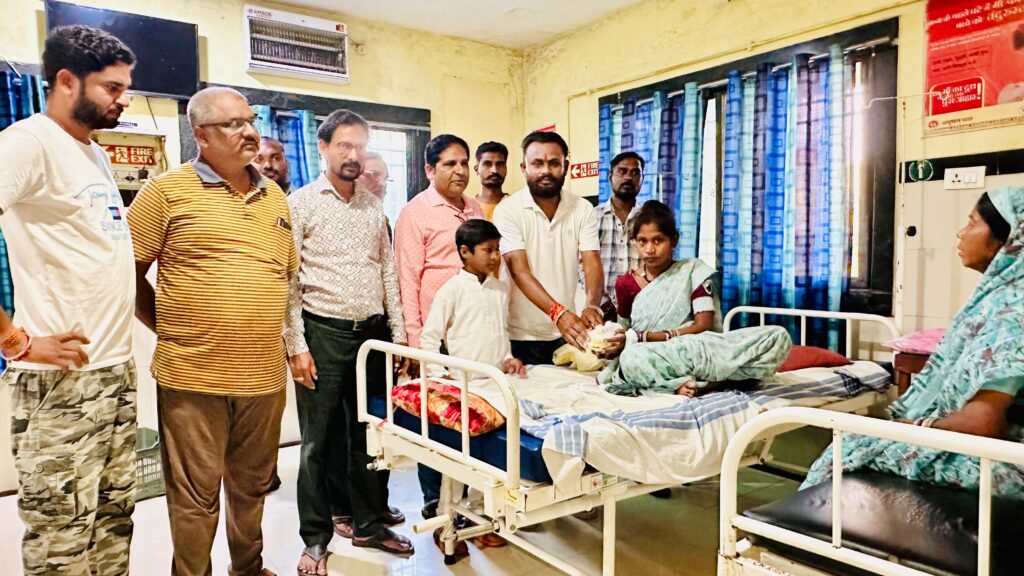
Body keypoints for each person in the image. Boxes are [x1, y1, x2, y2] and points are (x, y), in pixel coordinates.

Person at [128, 86, 296, 576]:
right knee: (195, 497)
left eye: (251, 120)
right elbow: (127, 273)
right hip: (192, 377)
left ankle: (248, 567)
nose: (249, 132)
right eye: (233, 123)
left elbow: (283, 279)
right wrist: (171, 328)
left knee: (252, 488)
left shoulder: (275, 197)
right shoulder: (166, 192)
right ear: (201, 135)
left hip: (263, 377)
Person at [0, 25, 136, 575]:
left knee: (112, 520)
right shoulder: (27, 143)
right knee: (62, 534)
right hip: (60, 382)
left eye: (125, 88)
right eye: (112, 88)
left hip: (113, 372)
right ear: (65, 81)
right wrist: (14, 339)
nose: (123, 100)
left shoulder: (93, 153)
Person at [802, 186, 1024, 497]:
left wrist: (917, 426)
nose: (961, 233)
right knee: (856, 444)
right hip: (995, 447)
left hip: (1005, 462)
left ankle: (801, 526)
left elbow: (982, 423)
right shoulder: (1002, 300)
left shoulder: (1012, 314)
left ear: (1008, 239)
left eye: (972, 223)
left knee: (848, 448)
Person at [284, 110, 414, 573]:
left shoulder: (372, 206)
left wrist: (399, 337)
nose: (353, 154)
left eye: (360, 145)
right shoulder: (300, 204)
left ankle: (369, 523)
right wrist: (296, 345)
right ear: (323, 147)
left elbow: (388, 275)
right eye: (344, 145)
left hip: (373, 337)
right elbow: (288, 280)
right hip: (323, 334)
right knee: (317, 445)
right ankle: (316, 539)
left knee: (371, 435)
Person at [596, 201, 789, 397]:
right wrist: (613, 345)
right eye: (642, 241)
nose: (649, 249)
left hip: (692, 349)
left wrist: (647, 336)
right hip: (653, 355)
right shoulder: (625, 284)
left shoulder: (693, 271)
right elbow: (625, 331)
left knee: (777, 336)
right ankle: (698, 383)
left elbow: (703, 324)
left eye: (658, 240)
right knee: (631, 358)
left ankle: (703, 378)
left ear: (674, 241)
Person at [418, 218, 524, 552]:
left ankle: (479, 520)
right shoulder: (451, 290)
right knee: (458, 461)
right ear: (465, 252)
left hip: (494, 385)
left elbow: (500, 333)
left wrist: (508, 358)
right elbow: (429, 338)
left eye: (497, 250)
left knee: (488, 459)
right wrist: (442, 376)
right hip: (464, 386)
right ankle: (446, 522)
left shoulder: (499, 289)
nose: (495, 257)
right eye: (488, 250)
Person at [394, 134, 484, 519]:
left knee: (473, 417)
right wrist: (416, 343)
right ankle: (435, 501)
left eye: (464, 163)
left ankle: (469, 502)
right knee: (437, 419)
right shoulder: (415, 213)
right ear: (430, 169)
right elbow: (406, 279)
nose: (459, 171)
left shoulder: (475, 209)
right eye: (449, 164)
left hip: (472, 333)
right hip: (435, 338)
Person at [493, 131, 605, 365]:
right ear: (524, 168)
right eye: (537, 163)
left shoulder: (583, 208)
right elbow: (519, 271)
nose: (546, 170)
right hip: (521, 335)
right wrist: (558, 313)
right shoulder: (508, 210)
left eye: (554, 163)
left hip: (569, 332)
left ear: (565, 167)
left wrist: (592, 305)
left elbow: (592, 261)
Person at [595, 152, 645, 311]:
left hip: (641, 307)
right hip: (598, 308)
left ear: (642, 179)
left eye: (635, 173)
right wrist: (602, 303)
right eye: (622, 171)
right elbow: (580, 265)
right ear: (610, 177)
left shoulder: (649, 218)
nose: (628, 177)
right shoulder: (592, 217)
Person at [474, 141, 509, 221]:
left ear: (506, 169)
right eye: (487, 164)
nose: (494, 170)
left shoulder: (517, 205)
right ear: (476, 169)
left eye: (500, 164)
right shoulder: (466, 207)